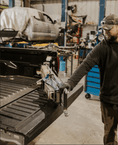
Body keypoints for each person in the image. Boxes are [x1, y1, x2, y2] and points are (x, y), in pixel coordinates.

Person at [59, 14, 118, 145]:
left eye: (109, 28)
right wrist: (70, 82)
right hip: (109, 100)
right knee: (109, 135)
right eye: (105, 29)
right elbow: (86, 64)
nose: (106, 32)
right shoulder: (103, 47)